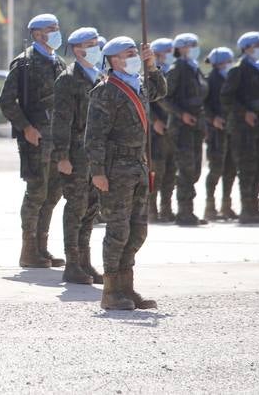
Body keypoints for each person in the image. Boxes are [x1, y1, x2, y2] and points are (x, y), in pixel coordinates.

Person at [86, 36, 166, 310]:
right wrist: (98, 172)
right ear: (114, 59)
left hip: (138, 165)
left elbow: (160, 91)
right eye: (130, 53)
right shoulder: (106, 91)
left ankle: (126, 287)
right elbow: (94, 136)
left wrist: (151, 64)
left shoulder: (138, 84)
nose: (135, 56)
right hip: (116, 168)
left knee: (137, 230)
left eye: (136, 52)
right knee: (117, 230)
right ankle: (110, 291)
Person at [0, 13, 68, 268]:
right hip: (36, 139)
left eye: (57, 27)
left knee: (52, 193)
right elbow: (7, 101)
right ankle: (29, 250)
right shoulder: (25, 63)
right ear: (38, 34)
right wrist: (26, 127)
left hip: (57, 139)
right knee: (36, 193)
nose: (56, 32)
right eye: (51, 28)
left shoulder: (57, 62)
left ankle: (42, 247)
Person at [50, 27, 103, 285]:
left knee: (91, 208)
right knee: (76, 207)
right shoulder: (68, 79)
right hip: (76, 153)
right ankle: (72, 263)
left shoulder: (99, 75)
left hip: (95, 155)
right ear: (79, 49)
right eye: (91, 44)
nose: (96, 47)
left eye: (96, 42)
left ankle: (85, 261)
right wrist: (61, 156)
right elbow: (60, 121)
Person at [163, 33, 209, 226]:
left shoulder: (194, 68)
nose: (194, 48)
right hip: (181, 127)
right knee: (186, 168)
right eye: (191, 45)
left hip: (196, 125)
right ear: (180, 48)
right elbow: (164, 97)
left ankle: (188, 209)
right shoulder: (177, 69)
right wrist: (181, 114)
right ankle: (184, 211)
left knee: (196, 169)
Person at [221, 31, 259, 224]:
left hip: (257, 127)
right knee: (247, 168)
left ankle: (254, 206)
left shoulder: (257, 68)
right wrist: (244, 112)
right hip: (242, 129)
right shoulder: (238, 69)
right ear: (247, 47)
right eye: (257, 44)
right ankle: (246, 209)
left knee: (258, 168)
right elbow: (226, 97)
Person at [203, 46, 237, 221]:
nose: (229, 64)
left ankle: (226, 205)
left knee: (231, 169)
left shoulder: (232, 79)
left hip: (232, 129)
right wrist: (212, 119)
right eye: (226, 62)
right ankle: (210, 207)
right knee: (216, 168)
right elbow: (204, 105)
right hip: (216, 131)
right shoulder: (209, 81)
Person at [148, 37, 177, 222]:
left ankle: (166, 208)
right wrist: (154, 121)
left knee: (170, 171)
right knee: (155, 171)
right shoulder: (149, 74)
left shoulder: (172, 72)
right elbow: (145, 101)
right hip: (155, 131)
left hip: (172, 128)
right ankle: (151, 210)